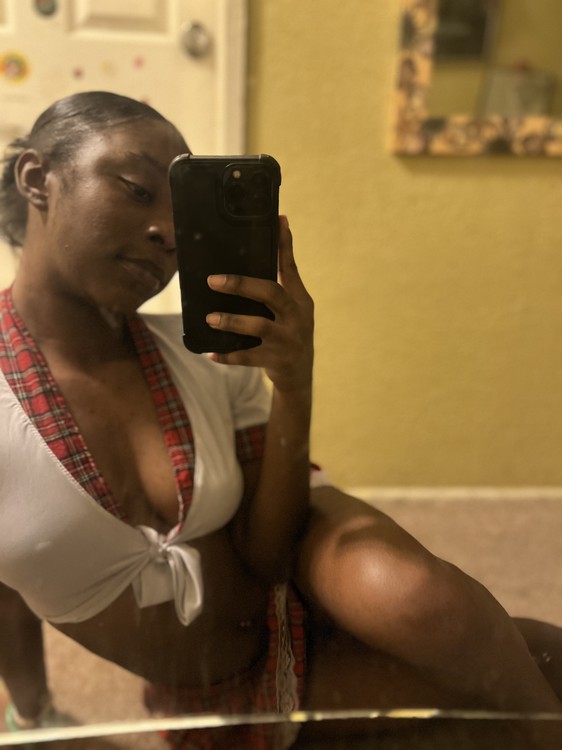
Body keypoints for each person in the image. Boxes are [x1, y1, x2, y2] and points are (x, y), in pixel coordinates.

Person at [0, 91, 560, 750]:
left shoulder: (203, 355)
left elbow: (269, 556)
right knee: (497, 697)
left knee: (520, 649)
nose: (169, 233)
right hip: (213, 699)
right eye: (137, 190)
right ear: (36, 177)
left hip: (300, 611)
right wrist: (32, 713)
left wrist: (294, 382)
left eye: (184, 213)